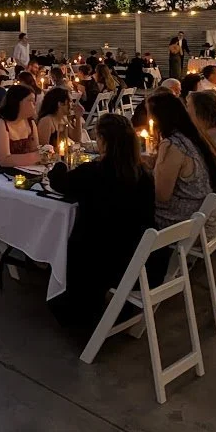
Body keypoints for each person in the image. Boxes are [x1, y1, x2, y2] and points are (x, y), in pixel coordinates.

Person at [46, 113, 156, 330]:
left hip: (99, 259)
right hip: (138, 257)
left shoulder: (95, 173)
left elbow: (59, 183)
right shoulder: (143, 173)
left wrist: (60, 164)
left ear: (104, 141)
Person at [145, 91, 216, 279]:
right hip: (203, 217)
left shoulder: (172, 145)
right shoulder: (193, 139)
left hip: (183, 223)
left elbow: (161, 196)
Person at [0, 85, 43, 174]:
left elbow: (34, 149)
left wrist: (45, 154)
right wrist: (38, 156)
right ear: (17, 102)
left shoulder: (30, 123)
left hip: (22, 170)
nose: (34, 104)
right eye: (30, 101)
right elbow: (4, 160)